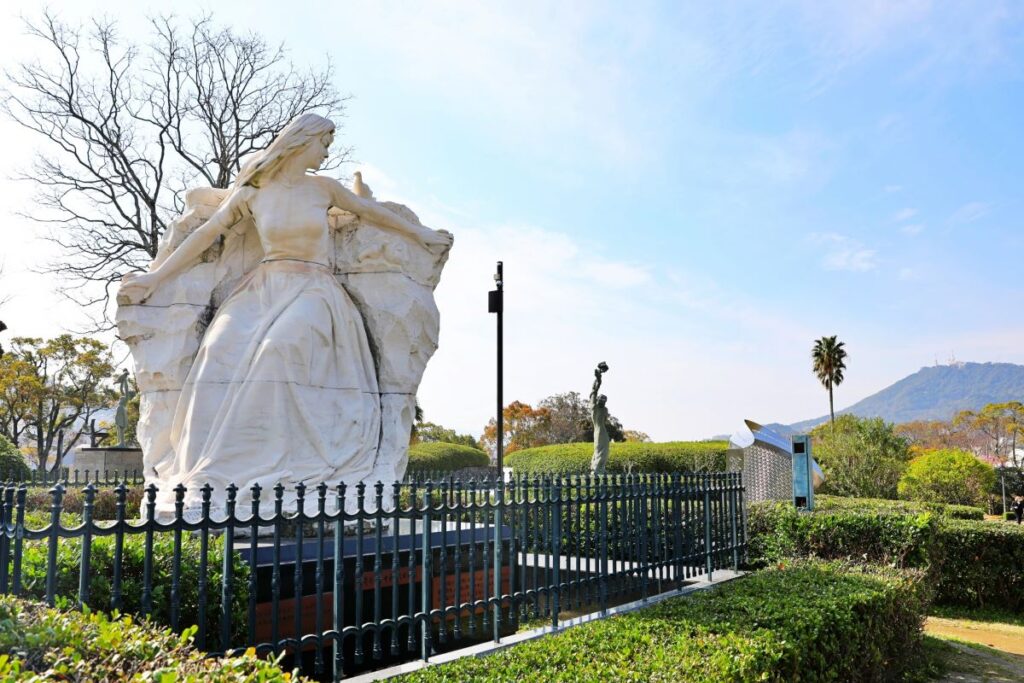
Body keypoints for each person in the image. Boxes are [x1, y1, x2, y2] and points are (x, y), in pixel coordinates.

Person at [119, 113, 451, 513]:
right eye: (324, 142)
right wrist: (155, 278)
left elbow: (373, 215)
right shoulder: (254, 192)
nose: (327, 151)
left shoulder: (324, 189)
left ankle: (285, 473)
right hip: (261, 288)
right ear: (302, 141)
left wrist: (423, 235)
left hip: (314, 290)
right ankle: (210, 479)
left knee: (279, 348)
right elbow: (207, 235)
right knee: (216, 353)